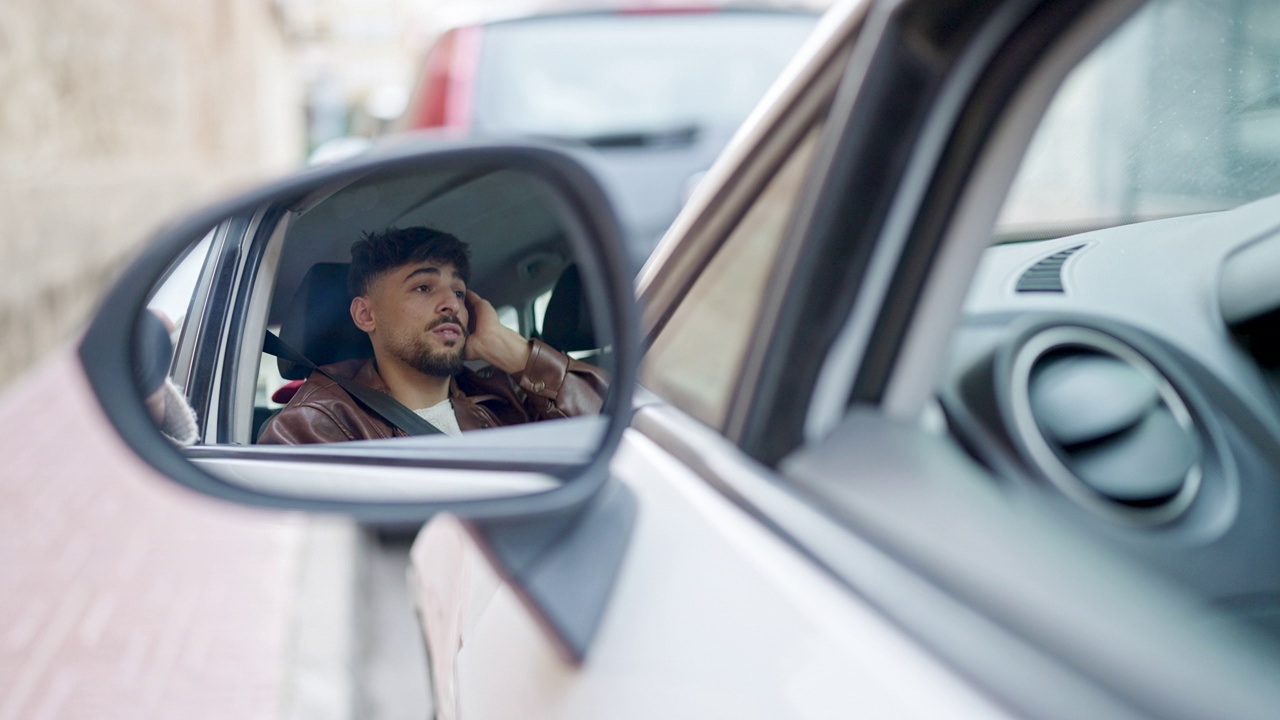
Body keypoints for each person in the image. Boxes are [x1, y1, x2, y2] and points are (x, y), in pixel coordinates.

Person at [257, 227, 606, 445]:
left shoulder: (507, 398)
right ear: (366, 315)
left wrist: (511, 350)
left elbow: (623, 429)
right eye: (423, 287)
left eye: (458, 291)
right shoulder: (315, 428)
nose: (450, 304)